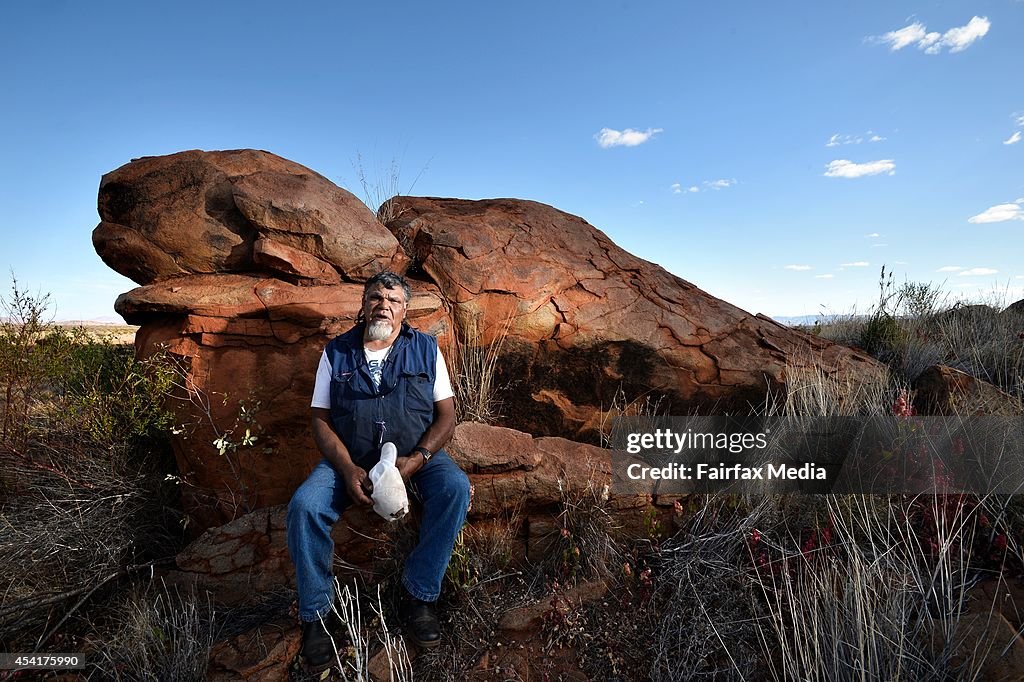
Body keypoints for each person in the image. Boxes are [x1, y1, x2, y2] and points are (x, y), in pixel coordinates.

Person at [287, 271, 470, 670]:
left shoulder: (425, 348)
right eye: (375, 297)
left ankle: (419, 595)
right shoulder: (336, 352)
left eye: (393, 299)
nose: (383, 305)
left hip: (414, 458)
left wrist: (418, 459)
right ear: (363, 304)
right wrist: (348, 468)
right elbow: (319, 418)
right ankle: (316, 615)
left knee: (455, 488)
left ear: (405, 309)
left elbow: (447, 416)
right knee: (304, 507)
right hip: (350, 459)